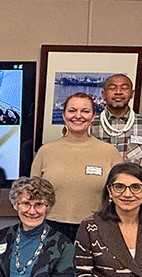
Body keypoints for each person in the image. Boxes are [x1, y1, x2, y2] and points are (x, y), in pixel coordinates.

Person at [31, 93, 123, 241]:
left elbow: (120, 195)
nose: (78, 116)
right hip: (51, 228)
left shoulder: (110, 152)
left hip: (96, 228)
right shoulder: (46, 151)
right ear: (64, 115)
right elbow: (33, 195)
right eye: (72, 110)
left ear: (93, 116)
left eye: (85, 111)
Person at [89, 74, 142, 189]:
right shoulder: (90, 126)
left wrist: (141, 195)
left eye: (124, 88)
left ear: (132, 94)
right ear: (103, 94)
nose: (118, 92)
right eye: (112, 88)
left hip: (133, 196)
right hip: (96, 194)